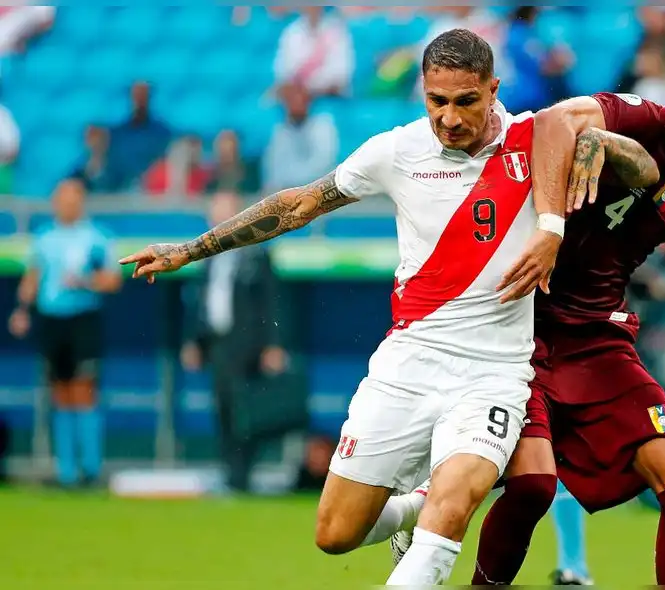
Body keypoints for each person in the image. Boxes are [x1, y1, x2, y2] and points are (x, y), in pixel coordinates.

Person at [119, 29, 566, 586]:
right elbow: (298, 204)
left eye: (466, 101)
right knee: (335, 533)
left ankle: (433, 506)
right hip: (410, 363)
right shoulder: (397, 151)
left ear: (493, 89)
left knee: (454, 510)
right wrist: (190, 248)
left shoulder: (537, 138)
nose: (449, 117)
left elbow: (608, 138)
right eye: (437, 101)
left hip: (494, 374)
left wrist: (553, 227)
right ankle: (412, 508)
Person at [464, 49, 665, 586]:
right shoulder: (636, 116)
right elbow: (554, 121)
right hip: (515, 326)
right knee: (533, 488)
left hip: (594, 342)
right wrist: (550, 228)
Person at [7, 178, 122, 487]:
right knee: (59, 391)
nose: (67, 204)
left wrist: (86, 282)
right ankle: (67, 472)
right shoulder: (45, 238)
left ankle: (91, 468)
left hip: (83, 318)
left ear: (81, 201)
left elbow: (113, 280)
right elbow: (33, 277)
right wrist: (21, 310)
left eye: (72, 198)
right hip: (52, 320)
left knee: (84, 390)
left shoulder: (97, 238)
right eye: (61, 199)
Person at [180, 191, 287, 493]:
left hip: (248, 342)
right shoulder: (206, 255)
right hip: (216, 342)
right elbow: (198, 300)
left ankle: (243, 474)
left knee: (246, 410)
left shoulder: (255, 252)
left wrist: (273, 344)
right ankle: (230, 471)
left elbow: (272, 302)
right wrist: (193, 340)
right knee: (222, 408)